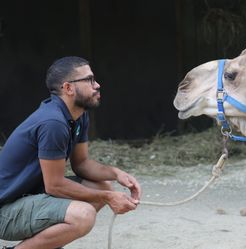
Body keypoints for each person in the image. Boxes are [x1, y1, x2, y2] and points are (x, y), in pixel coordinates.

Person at [0, 56, 142, 249]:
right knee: (83, 215)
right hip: (6, 211)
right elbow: (55, 186)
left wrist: (117, 174)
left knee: (102, 185)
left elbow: (81, 164)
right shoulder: (54, 123)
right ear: (68, 88)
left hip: (30, 197)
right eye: (89, 80)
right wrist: (108, 197)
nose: (97, 85)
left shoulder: (78, 116)